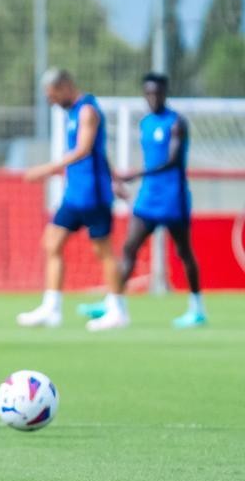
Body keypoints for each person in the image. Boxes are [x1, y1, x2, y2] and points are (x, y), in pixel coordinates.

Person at [80, 73, 207, 329]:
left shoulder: (176, 123)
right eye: (148, 93)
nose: (153, 97)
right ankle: (115, 303)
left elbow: (172, 160)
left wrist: (135, 174)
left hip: (173, 198)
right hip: (148, 197)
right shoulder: (146, 123)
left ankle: (196, 307)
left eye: (157, 93)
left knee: (184, 252)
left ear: (165, 93)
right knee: (129, 248)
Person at [18, 69, 125, 331]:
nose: (52, 101)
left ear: (65, 86)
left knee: (103, 250)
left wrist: (46, 169)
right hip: (74, 195)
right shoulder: (72, 113)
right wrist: (116, 179)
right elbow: (101, 152)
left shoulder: (87, 110)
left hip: (93, 194)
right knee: (52, 242)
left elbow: (85, 149)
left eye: (53, 95)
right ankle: (51, 308)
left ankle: (118, 309)